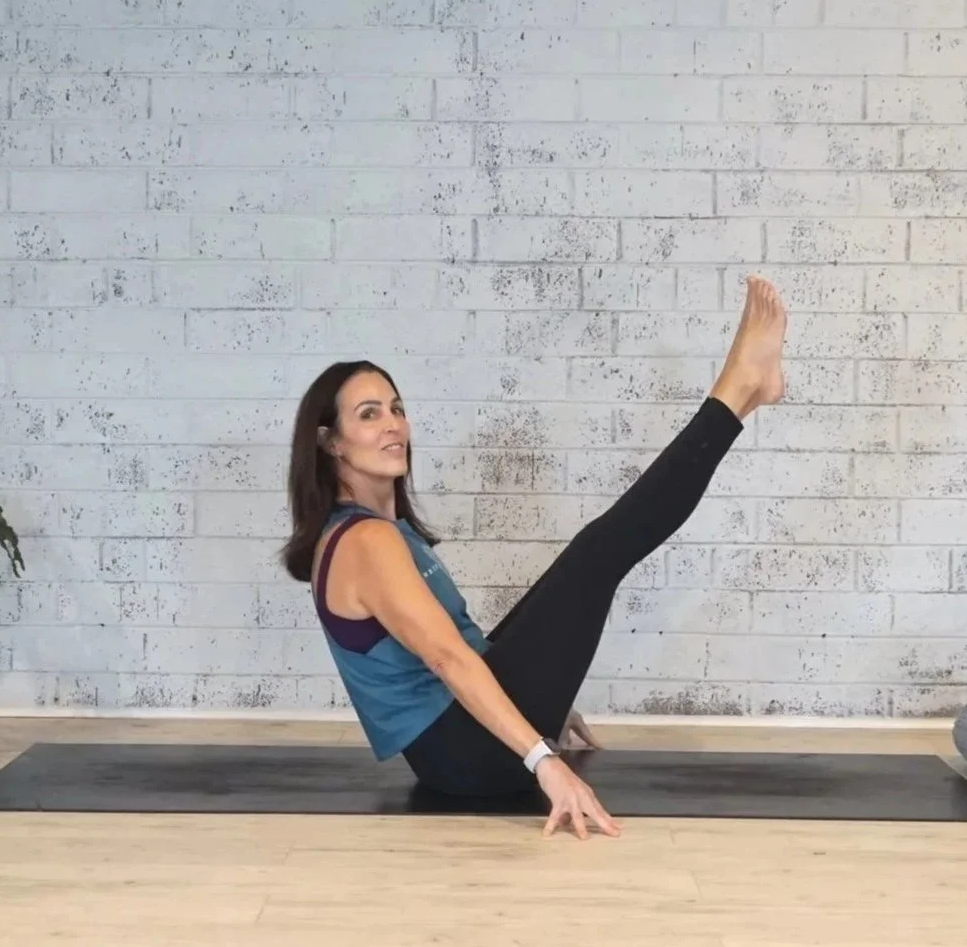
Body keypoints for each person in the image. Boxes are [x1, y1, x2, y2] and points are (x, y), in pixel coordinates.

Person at [282, 275, 789, 840]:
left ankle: (743, 391)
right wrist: (543, 760)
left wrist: (542, 690)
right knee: (599, 552)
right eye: (369, 414)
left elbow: (465, 645)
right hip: (468, 760)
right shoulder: (364, 543)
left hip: (458, 750)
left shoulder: (378, 532)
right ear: (330, 442)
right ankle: (737, 389)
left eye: (396, 408)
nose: (394, 425)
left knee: (589, 555)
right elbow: (447, 658)